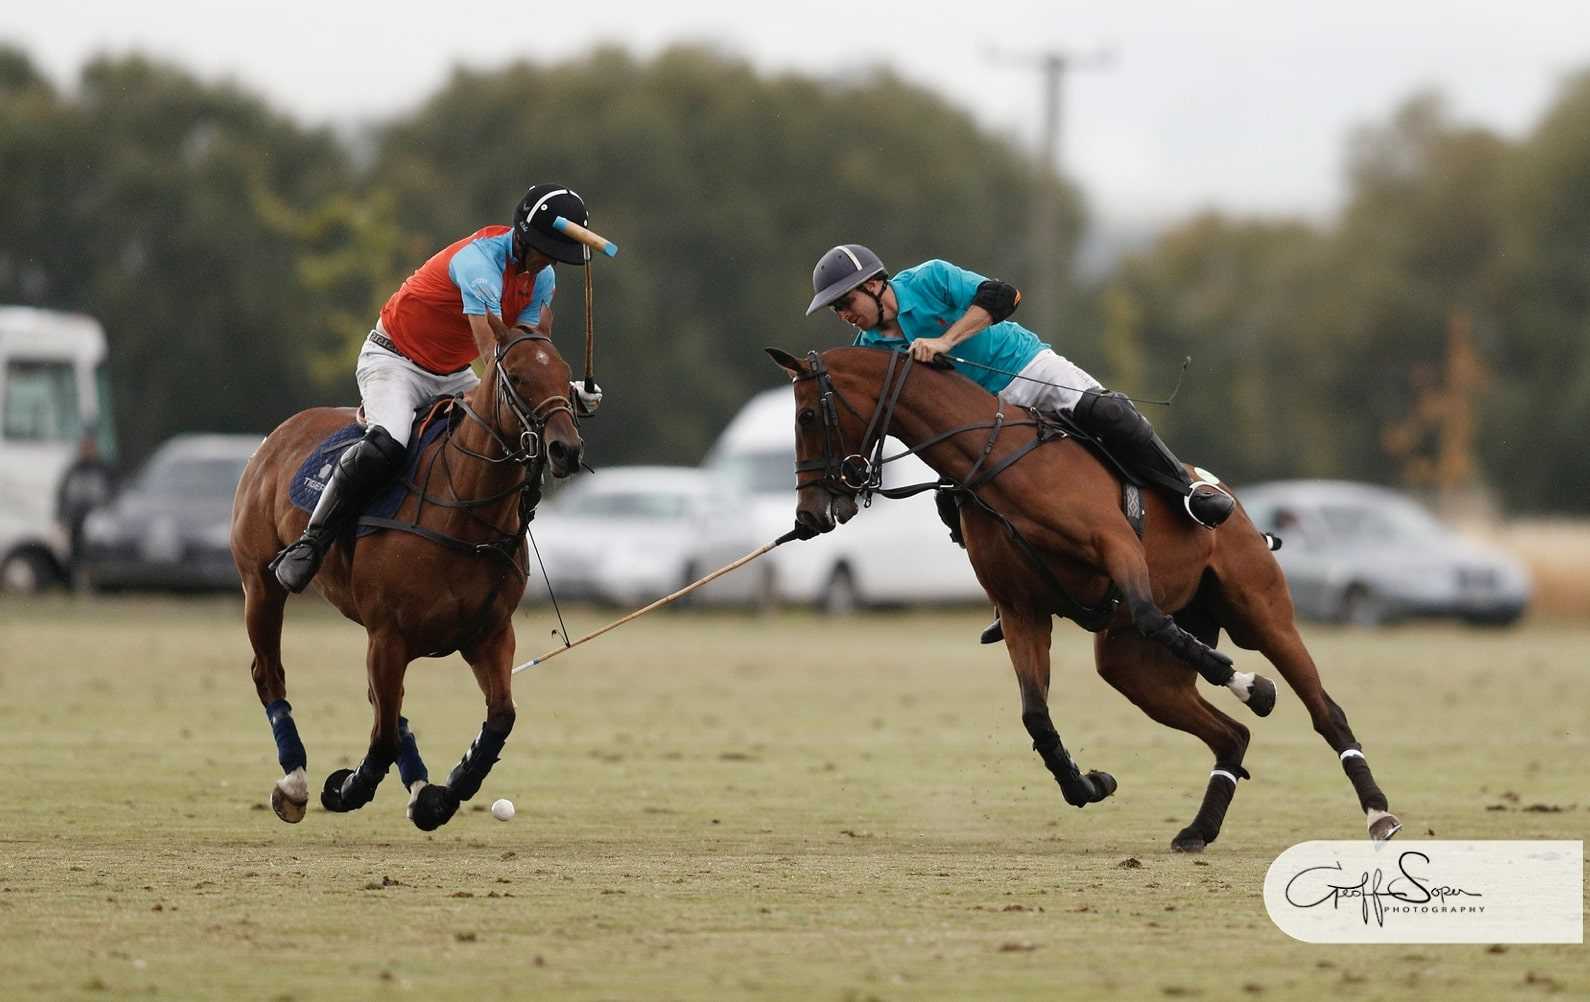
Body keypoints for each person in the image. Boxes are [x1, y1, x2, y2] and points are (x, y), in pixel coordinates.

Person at [805, 244, 1233, 643]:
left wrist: (945, 341)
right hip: (979, 421)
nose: (843, 314)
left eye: (845, 302)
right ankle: (1007, 597)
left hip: (1026, 368)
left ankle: (1187, 489)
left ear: (875, 285)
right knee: (951, 501)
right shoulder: (869, 349)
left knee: (1110, 414)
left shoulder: (930, 279)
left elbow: (1003, 296)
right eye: (835, 309)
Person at [270, 184, 605, 593]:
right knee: (388, 443)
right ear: (524, 239)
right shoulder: (479, 264)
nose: (549, 263)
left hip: (451, 371)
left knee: (503, 442)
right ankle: (312, 542)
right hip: (395, 360)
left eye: (556, 258)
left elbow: (525, 353)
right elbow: (494, 357)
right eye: (546, 253)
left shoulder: (542, 278)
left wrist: (563, 394)